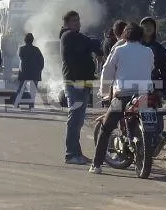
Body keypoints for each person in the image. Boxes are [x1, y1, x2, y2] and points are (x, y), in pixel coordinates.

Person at [90, 24, 156, 174]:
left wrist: (104, 92)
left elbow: (107, 72)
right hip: (145, 94)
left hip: (124, 96)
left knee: (106, 128)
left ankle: (96, 164)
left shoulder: (119, 50)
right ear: (141, 36)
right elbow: (151, 68)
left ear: (124, 36)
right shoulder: (148, 51)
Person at [61, 10, 104, 165]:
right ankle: (71, 154)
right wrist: (97, 47)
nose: (77, 23)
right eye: (73, 21)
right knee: (75, 119)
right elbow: (90, 42)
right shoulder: (68, 36)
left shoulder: (78, 37)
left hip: (83, 82)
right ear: (66, 24)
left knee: (78, 120)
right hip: (75, 83)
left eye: (78, 20)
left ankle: (77, 153)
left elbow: (91, 42)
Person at [16, 33, 44, 109]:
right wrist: (39, 69)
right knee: (33, 89)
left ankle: (17, 103)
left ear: (24, 40)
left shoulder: (21, 49)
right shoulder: (36, 49)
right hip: (34, 72)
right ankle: (31, 104)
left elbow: (20, 57)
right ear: (32, 40)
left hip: (24, 72)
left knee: (21, 88)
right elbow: (41, 60)